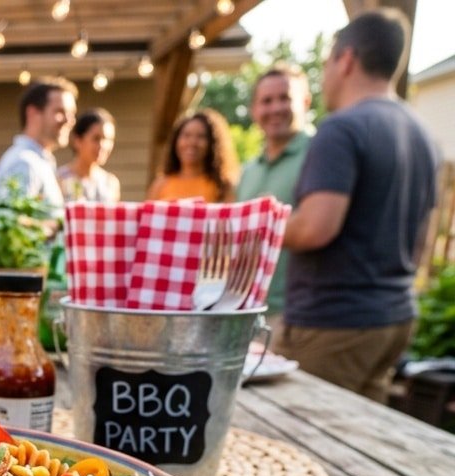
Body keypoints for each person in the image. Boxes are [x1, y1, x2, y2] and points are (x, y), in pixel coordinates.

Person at [278, 9, 439, 404]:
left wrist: (258, 230)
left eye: (327, 62)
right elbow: (424, 239)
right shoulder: (423, 135)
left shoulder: (342, 128)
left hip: (332, 323)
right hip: (394, 318)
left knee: (305, 444)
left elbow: (316, 227)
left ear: (345, 59)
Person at [237, 64, 314, 322]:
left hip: (296, 313)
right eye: (266, 101)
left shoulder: (319, 156)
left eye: (285, 98)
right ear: (254, 110)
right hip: (246, 309)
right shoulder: (248, 170)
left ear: (305, 101)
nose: (275, 109)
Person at [0, 78, 78, 205]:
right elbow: (15, 222)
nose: (70, 120)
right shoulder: (24, 163)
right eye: (60, 111)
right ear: (32, 113)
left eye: (72, 113)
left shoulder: (39, 161)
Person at [146, 109, 239, 203]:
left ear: (213, 143)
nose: (192, 142)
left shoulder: (222, 186)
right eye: (186, 135)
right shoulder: (160, 184)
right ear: (176, 141)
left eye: (201, 136)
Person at [57, 108, 122, 203]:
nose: (103, 145)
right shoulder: (60, 179)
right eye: (96, 138)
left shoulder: (110, 183)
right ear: (77, 140)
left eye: (109, 139)